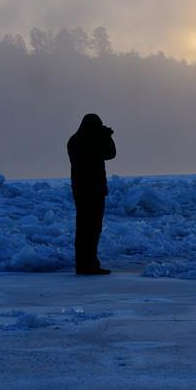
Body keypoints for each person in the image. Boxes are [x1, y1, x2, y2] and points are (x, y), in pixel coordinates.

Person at [67, 113, 116, 275]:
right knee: (90, 229)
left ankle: (85, 264)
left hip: (83, 190)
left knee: (86, 229)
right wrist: (107, 137)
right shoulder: (88, 141)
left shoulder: (75, 140)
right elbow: (110, 153)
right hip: (91, 191)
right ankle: (87, 265)